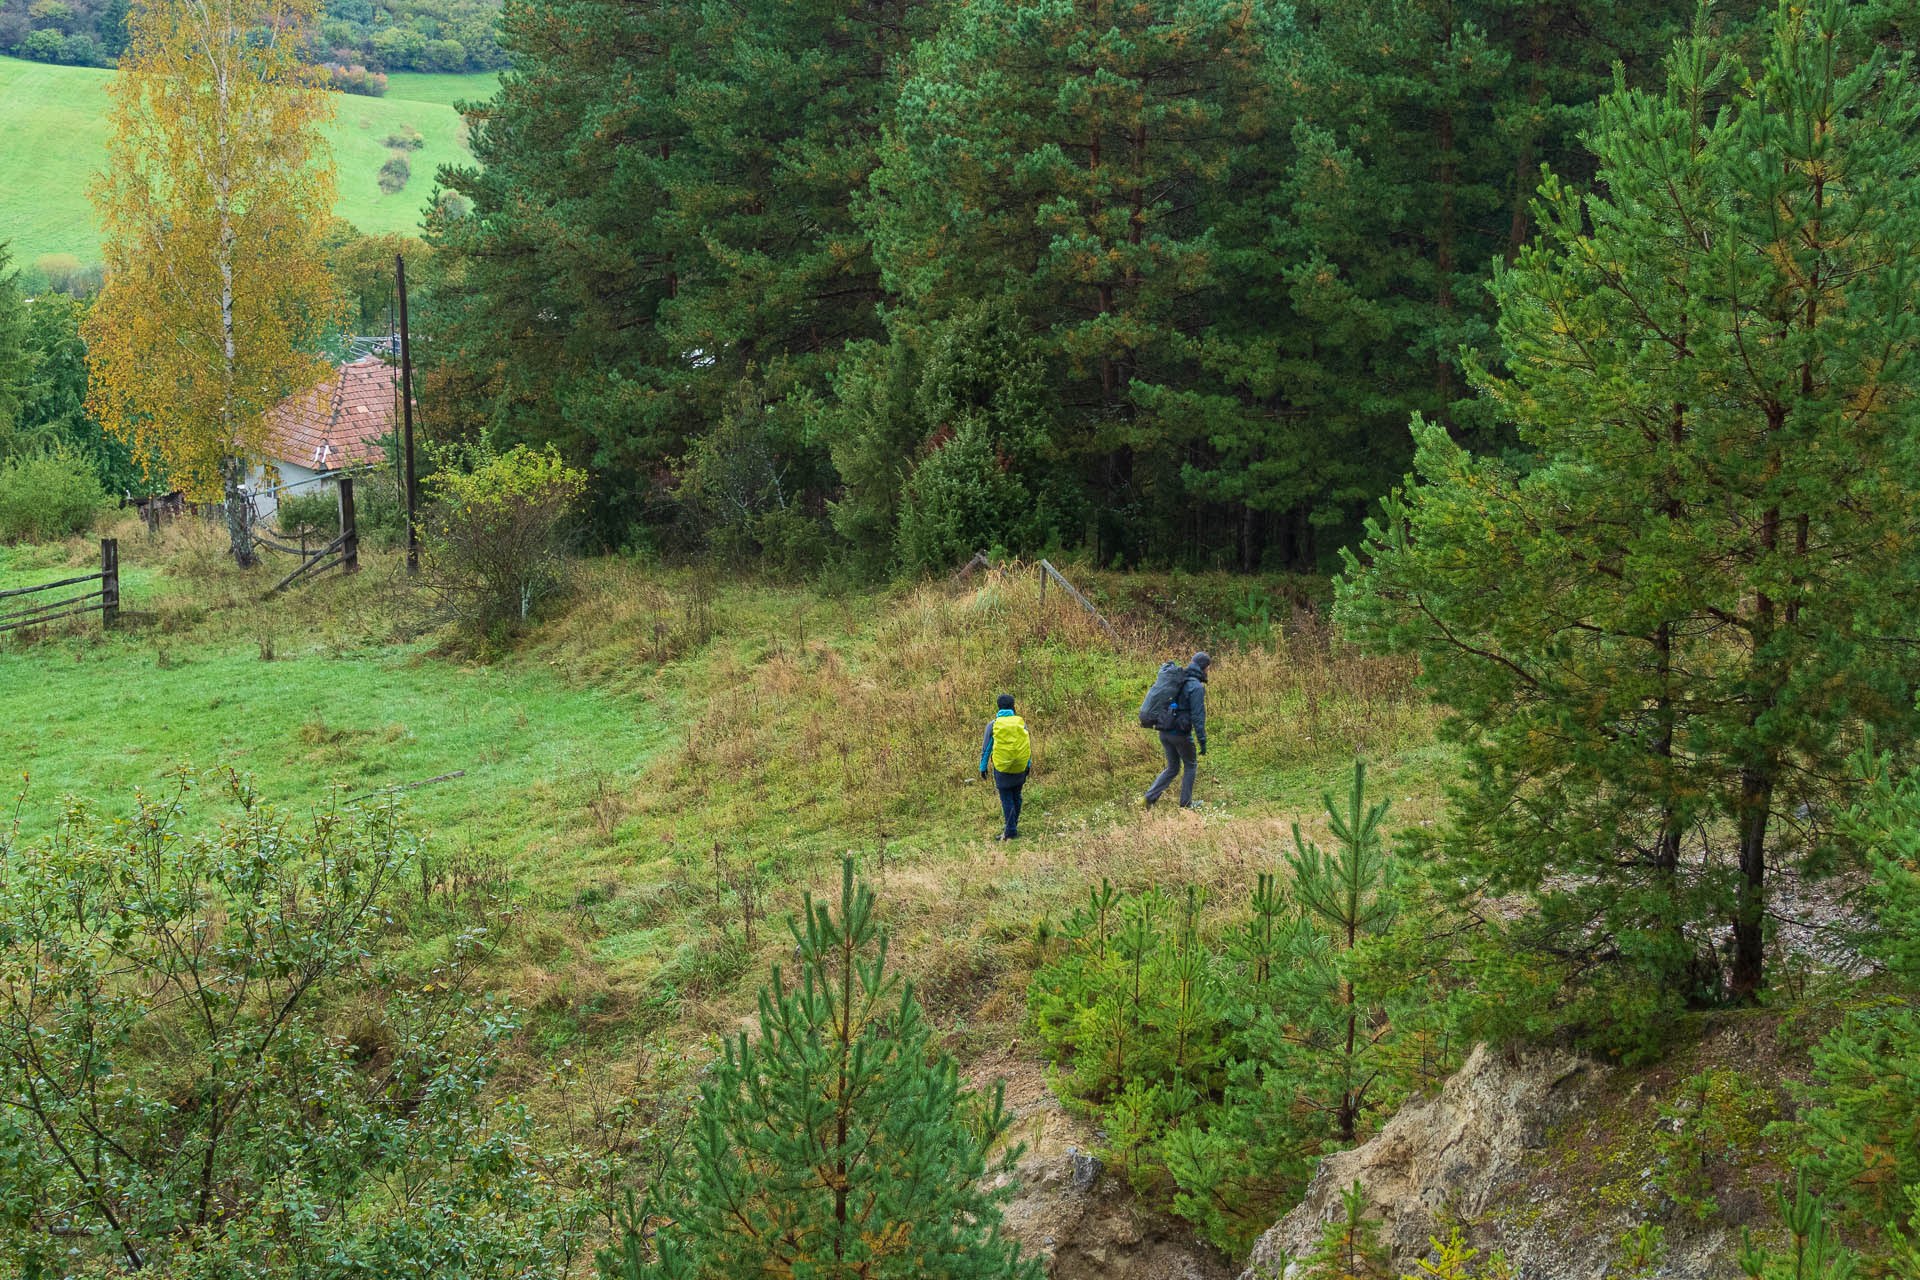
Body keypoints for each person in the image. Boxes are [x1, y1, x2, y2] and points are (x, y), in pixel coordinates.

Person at [1145, 652, 1209, 809]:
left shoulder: (1178, 679)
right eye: (1208, 668)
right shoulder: (1196, 687)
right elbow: (1197, 716)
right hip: (1180, 734)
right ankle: (1186, 804)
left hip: (1164, 730)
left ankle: (1148, 799)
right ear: (1204, 668)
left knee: (1173, 767)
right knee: (1191, 765)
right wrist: (1202, 740)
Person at [978, 693, 1033, 840]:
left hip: (1002, 768)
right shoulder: (1021, 722)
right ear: (1013, 706)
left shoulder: (993, 725)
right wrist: (1028, 764)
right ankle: (1013, 825)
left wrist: (983, 767)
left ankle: (1010, 831)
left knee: (1006, 797)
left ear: (998, 707)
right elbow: (1026, 745)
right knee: (1017, 795)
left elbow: (987, 748)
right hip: (1020, 766)